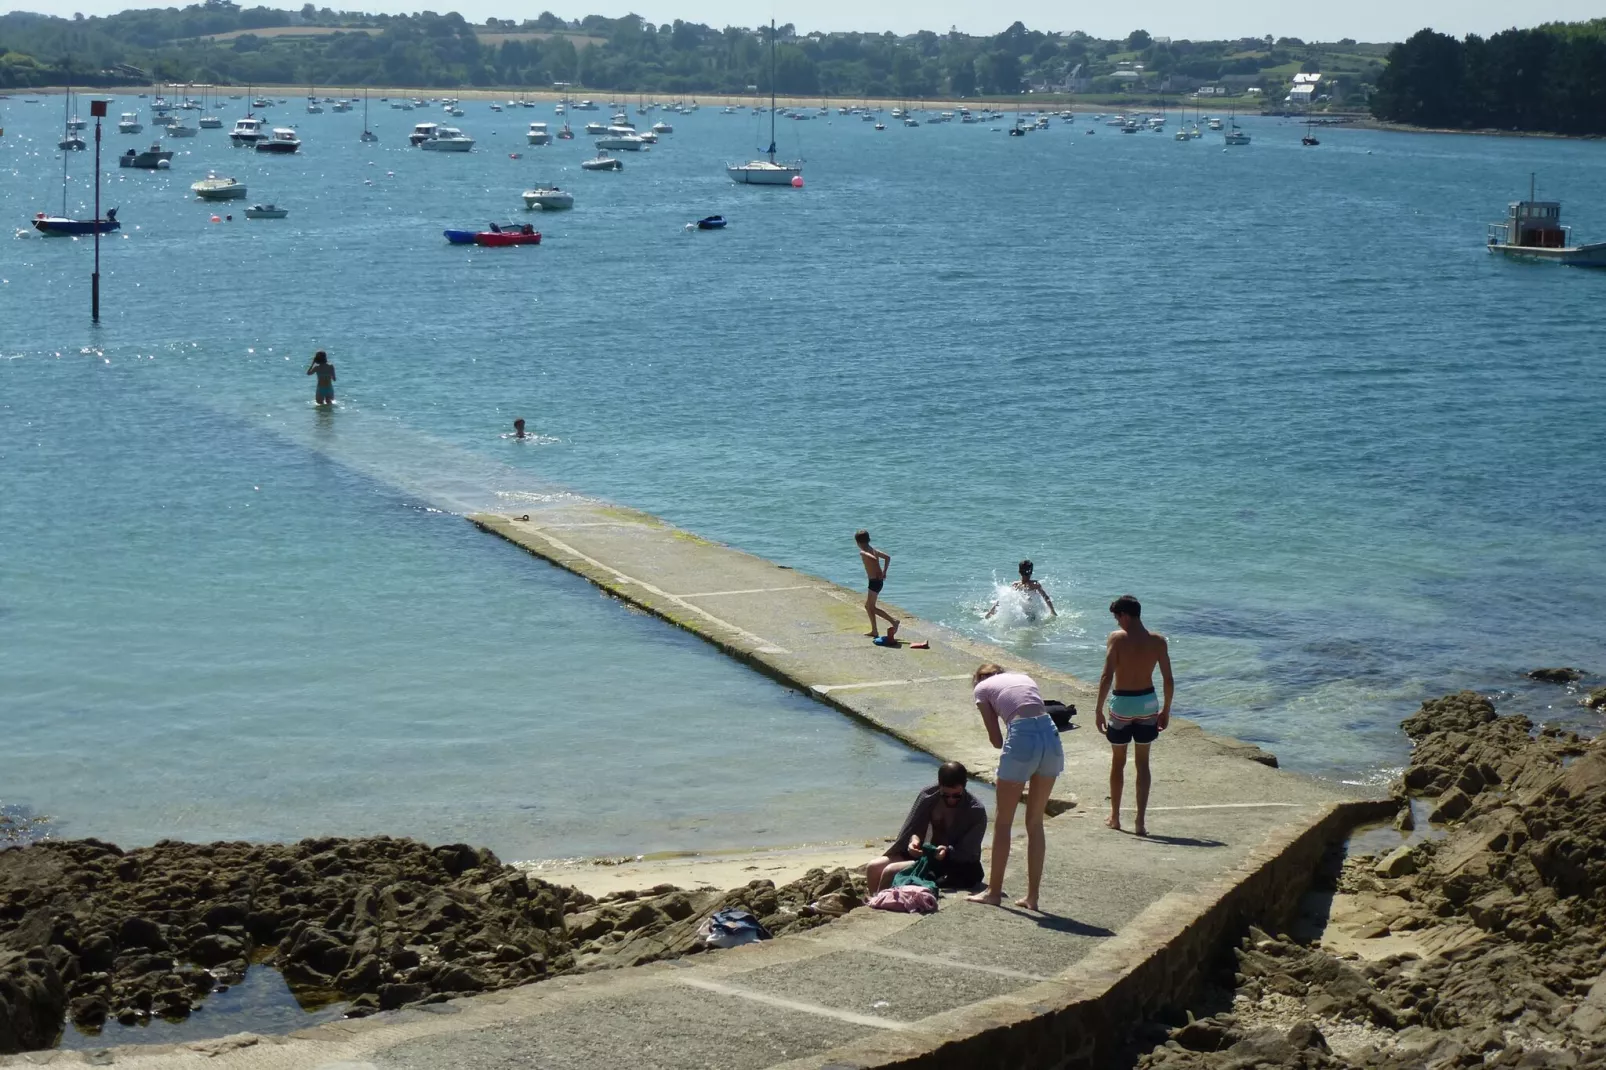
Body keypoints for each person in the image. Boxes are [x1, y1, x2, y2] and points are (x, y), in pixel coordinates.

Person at [967, 664, 1064, 911]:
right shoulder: (1023, 677)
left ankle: (994, 892)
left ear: (978, 679)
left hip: (1023, 737)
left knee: (1003, 823)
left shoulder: (981, 689)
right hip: (1051, 735)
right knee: (1035, 822)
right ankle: (1032, 897)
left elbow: (996, 740)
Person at [1094, 594, 1174, 837]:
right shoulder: (1158, 641)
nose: (1117, 622)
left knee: (1118, 762)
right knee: (1143, 763)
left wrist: (1098, 709)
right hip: (1148, 703)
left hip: (1123, 704)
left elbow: (1107, 676)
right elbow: (1168, 679)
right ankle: (1140, 822)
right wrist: (1166, 710)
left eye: (1117, 617)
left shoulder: (1117, 639)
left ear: (1125, 615)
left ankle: (1116, 817)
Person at [866, 762, 987, 894]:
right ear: (939, 785)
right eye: (946, 795)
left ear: (965, 785)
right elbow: (915, 829)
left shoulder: (976, 810)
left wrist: (946, 851)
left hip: (953, 863)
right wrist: (914, 841)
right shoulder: (928, 796)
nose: (951, 800)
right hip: (928, 854)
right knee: (873, 867)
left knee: (890, 871)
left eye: (956, 795)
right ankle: (876, 901)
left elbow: (969, 851)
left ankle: (881, 905)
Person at [855, 529, 899, 640]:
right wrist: (884, 572)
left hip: (874, 582)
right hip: (876, 582)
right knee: (868, 606)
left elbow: (874, 559)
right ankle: (874, 630)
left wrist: (879, 571)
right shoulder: (872, 549)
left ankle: (894, 622)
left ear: (858, 542)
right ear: (868, 540)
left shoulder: (864, 552)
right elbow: (887, 557)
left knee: (871, 607)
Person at [985, 559, 1057, 619]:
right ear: (1031, 572)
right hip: (1033, 613)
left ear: (1019, 572)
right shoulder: (1035, 584)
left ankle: (989, 612)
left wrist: (991, 612)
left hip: (1020, 613)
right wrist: (1052, 611)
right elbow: (1046, 597)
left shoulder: (1015, 585)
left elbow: (1003, 600)